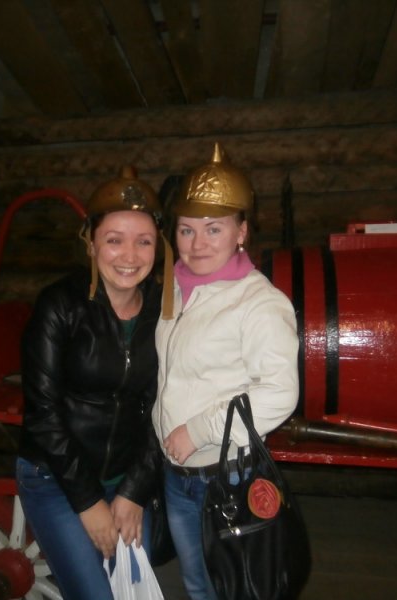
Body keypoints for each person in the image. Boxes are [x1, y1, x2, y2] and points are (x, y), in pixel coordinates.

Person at [152, 143, 300, 600]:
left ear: (242, 232)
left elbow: (279, 392)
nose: (197, 244)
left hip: (225, 477)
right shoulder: (175, 289)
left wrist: (199, 430)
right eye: (187, 229)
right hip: (176, 474)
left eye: (213, 229)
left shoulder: (258, 302)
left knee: (236, 590)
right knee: (198, 586)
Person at [15, 166, 171, 599]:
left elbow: (166, 404)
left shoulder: (164, 309)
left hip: (126, 478)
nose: (129, 255)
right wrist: (88, 503)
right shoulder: (59, 306)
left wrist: (134, 491)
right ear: (91, 242)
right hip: (55, 476)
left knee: (133, 591)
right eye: (114, 240)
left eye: (144, 241)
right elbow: (43, 414)